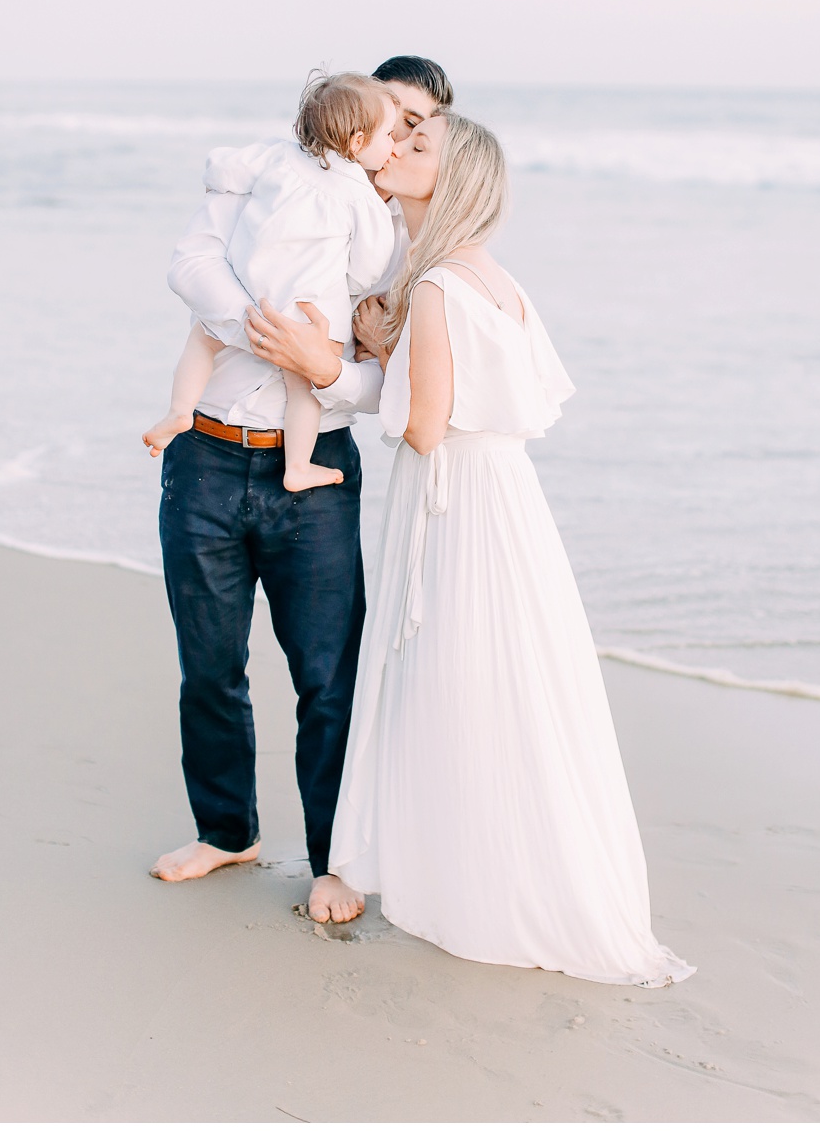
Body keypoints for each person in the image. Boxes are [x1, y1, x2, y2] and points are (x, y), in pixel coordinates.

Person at [247, 113, 695, 985]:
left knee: (449, 673)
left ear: (454, 181)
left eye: (419, 149)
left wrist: (365, 356)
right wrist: (395, 345)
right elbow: (517, 397)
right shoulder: (498, 282)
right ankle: (468, 855)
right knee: (503, 678)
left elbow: (421, 426)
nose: (399, 153)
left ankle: (450, 867)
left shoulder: (442, 287)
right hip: (505, 500)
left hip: (453, 501)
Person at [149, 59, 452, 926]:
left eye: (419, 126)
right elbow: (191, 256)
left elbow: (393, 384)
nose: (401, 135)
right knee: (208, 665)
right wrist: (258, 320)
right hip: (205, 454)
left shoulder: (408, 243)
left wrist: (322, 367)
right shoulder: (271, 170)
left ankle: (334, 860)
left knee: (328, 676)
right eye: (395, 114)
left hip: (312, 471)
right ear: (360, 118)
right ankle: (225, 831)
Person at [141, 73, 397, 491]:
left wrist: (218, 186)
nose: (393, 146)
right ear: (356, 142)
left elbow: (224, 166)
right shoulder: (360, 198)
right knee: (303, 389)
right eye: (388, 134)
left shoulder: (279, 156)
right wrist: (345, 282)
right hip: (305, 312)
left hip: (250, 288)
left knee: (202, 342)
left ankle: (179, 411)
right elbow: (368, 267)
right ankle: (298, 466)